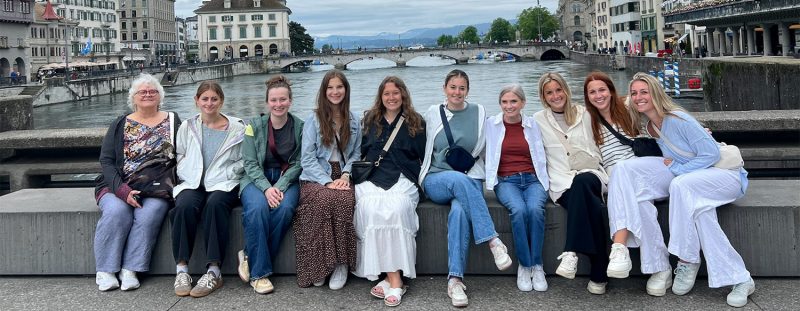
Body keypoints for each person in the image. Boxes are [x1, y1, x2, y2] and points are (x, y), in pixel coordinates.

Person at [606, 73, 754, 307]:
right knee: (697, 211)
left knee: (680, 185)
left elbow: (711, 155)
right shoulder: (651, 126)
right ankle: (739, 278)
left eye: (644, 92)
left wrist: (677, 168)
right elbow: (614, 100)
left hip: (725, 177)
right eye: (634, 93)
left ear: (656, 93)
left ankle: (686, 259)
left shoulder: (678, 118)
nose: (638, 97)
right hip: (695, 178)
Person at [419, 69, 512, 307]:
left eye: (461, 88)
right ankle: (493, 241)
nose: (457, 92)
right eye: (453, 87)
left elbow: (494, 140)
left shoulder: (479, 112)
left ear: (467, 91)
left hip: (469, 178)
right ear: (444, 89)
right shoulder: (432, 113)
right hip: (436, 179)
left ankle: (455, 281)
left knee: (460, 212)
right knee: (460, 181)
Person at [93, 74, 181, 292]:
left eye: (152, 91)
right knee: (116, 211)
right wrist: (123, 191)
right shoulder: (120, 123)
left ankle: (131, 269)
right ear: (134, 98)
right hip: (118, 185)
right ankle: (105, 270)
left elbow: (183, 154)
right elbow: (106, 160)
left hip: (158, 189)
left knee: (149, 214)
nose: (148, 95)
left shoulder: (172, 120)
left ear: (160, 96)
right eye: (143, 92)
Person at [532, 72, 610, 295]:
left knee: (584, 182)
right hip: (561, 183)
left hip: (591, 175)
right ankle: (599, 274)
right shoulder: (537, 120)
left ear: (566, 90)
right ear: (543, 97)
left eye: (558, 90)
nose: (555, 96)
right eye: (549, 93)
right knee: (590, 205)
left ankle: (571, 251)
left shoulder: (585, 113)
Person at [355, 76, 426, 307]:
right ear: (381, 97)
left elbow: (423, 157)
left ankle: (390, 278)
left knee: (396, 208)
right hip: (375, 177)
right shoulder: (371, 120)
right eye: (387, 94)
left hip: (404, 177)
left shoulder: (416, 122)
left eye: (396, 93)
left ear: (403, 95)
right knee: (370, 207)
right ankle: (396, 279)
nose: (392, 98)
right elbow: (362, 152)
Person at [170, 81, 245, 298]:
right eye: (205, 99)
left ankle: (214, 270)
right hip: (193, 181)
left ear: (221, 101)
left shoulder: (236, 127)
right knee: (183, 206)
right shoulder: (187, 126)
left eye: (214, 99)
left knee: (215, 205)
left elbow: (244, 159)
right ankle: (182, 269)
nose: (209, 103)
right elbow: (180, 154)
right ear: (197, 101)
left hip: (224, 183)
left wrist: (230, 174)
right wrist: (187, 172)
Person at [236, 75, 304, 295]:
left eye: (283, 100)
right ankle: (260, 275)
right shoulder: (253, 126)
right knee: (257, 209)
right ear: (267, 102)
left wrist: (280, 186)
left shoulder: (301, 127)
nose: (278, 104)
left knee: (284, 209)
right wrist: (266, 188)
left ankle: (249, 255)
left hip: (287, 178)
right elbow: (249, 162)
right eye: (274, 100)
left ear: (290, 101)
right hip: (256, 178)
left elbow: (299, 162)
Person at [295, 69, 361, 289]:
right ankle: (319, 265)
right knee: (323, 200)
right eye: (330, 88)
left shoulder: (354, 120)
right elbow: (307, 158)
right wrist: (327, 181)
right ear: (324, 91)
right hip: (316, 176)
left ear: (346, 90)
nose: (335, 92)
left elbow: (356, 155)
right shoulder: (313, 120)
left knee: (344, 201)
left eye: (339, 87)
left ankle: (341, 264)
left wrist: (344, 174)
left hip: (342, 174)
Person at [484, 84, 550, 292]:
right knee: (519, 211)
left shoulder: (533, 125)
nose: (509, 106)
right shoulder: (491, 125)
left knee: (535, 211)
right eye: (504, 102)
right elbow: (477, 148)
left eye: (513, 101)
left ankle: (537, 266)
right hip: (506, 181)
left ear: (523, 103)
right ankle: (525, 265)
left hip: (533, 179)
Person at [583, 71, 638, 176]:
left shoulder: (629, 107)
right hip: (616, 175)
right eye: (592, 92)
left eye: (602, 90)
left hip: (641, 168)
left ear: (611, 91)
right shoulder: (587, 121)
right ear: (588, 97)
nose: (598, 96)